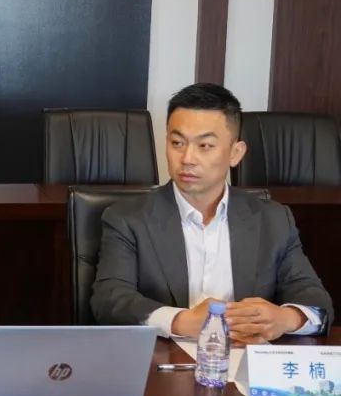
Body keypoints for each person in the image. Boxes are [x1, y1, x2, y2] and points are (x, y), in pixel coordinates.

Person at [92, 83, 333, 342]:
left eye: (205, 145)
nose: (187, 158)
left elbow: (317, 302)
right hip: (164, 358)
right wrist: (181, 321)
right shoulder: (128, 218)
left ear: (235, 153)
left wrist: (285, 318)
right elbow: (110, 300)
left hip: (244, 357)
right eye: (177, 143)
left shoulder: (273, 220)